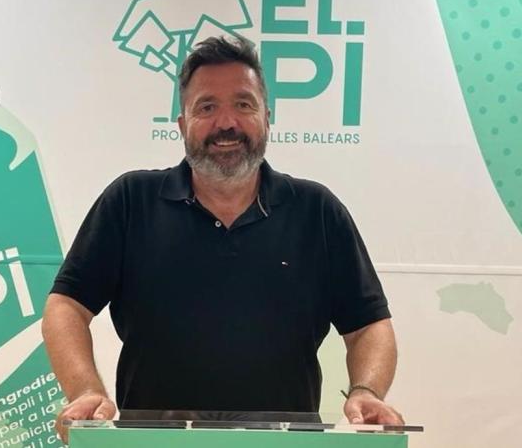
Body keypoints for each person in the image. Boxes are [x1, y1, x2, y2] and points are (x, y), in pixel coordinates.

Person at [42, 36, 404, 443]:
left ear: (267, 118)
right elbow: (67, 306)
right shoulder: (130, 202)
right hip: (154, 442)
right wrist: (85, 391)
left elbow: (369, 325)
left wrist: (366, 391)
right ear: (183, 125)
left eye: (244, 105)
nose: (227, 123)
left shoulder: (316, 210)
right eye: (207, 107)